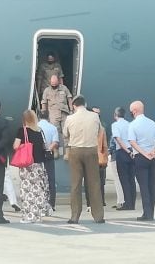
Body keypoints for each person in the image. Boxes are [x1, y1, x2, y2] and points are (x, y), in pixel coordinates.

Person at [63, 95, 104, 224]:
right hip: (91, 150)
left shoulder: (70, 118)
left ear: (74, 106)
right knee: (94, 183)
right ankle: (98, 216)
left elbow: (65, 134)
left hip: (75, 151)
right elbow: (99, 131)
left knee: (75, 184)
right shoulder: (94, 116)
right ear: (85, 104)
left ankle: (75, 216)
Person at [13, 110, 51, 223]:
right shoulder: (40, 131)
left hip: (27, 165)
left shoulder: (22, 131)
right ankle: (38, 215)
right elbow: (45, 147)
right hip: (39, 165)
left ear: (24, 119)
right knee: (38, 190)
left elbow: (15, 146)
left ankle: (29, 216)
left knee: (27, 191)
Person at [128, 100, 155, 221]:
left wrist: (143, 153)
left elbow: (132, 142)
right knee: (153, 185)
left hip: (141, 158)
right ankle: (151, 212)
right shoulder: (152, 123)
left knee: (144, 187)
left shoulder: (132, 125)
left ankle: (147, 213)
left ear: (134, 111)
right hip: (153, 158)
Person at [41, 75, 73, 157]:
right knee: (55, 132)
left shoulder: (64, 88)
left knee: (66, 132)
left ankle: (67, 151)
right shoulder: (47, 90)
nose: (54, 86)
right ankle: (55, 150)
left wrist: (71, 110)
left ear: (58, 82)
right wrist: (44, 113)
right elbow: (44, 102)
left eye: (55, 84)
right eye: (52, 84)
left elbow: (69, 98)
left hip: (64, 113)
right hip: (53, 114)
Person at [112, 106, 135, 211]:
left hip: (122, 152)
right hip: (131, 151)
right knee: (131, 178)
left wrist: (126, 151)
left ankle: (127, 203)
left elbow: (118, 140)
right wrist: (131, 151)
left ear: (115, 115)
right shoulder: (129, 124)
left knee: (124, 179)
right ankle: (132, 203)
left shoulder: (115, 125)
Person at [38, 110, 59, 210]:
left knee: (39, 179)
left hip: (38, 155)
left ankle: (40, 202)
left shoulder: (36, 127)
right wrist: (49, 149)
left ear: (39, 116)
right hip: (49, 155)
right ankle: (52, 204)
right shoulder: (53, 128)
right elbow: (55, 142)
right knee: (51, 179)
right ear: (48, 117)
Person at [108, 135, 125, 209]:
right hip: (127, 158)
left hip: (115, 158)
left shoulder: (115, 131)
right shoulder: (129, 129)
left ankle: (120, 201)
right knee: (127, 180)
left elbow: (112, 147)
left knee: (117, 180)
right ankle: (127, 201)